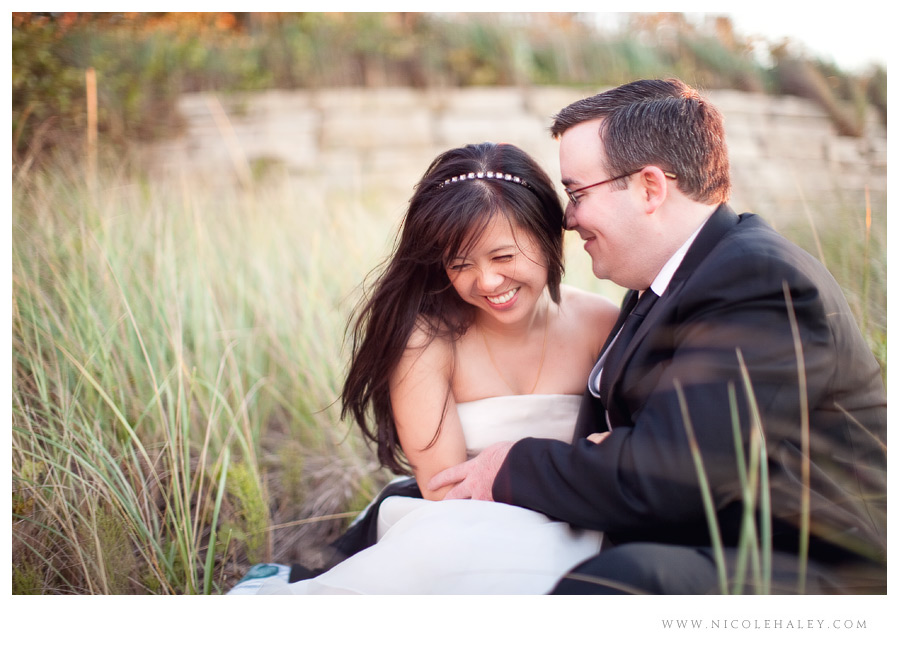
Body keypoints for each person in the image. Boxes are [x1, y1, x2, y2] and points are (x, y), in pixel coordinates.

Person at [429, 79, 887, 594]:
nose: (567, 217)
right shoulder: (668, 283)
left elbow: (676, 473)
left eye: (577, 193)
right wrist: (622, 448)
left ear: (650, 187)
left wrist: (513, 464)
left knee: (619, 586)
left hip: (814, 566)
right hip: (710, 538)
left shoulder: (758, 279)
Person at [229, 141, 620, 594]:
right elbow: (443, 488)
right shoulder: (427, 339)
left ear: (549, 238)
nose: (488, 282)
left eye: (504, 257)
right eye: (461, 264)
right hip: (457, 527)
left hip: (584, 523)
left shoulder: (601, 323)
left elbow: (629, 450)